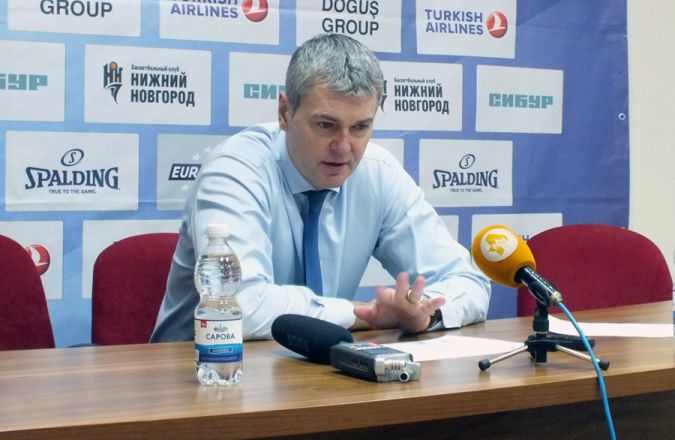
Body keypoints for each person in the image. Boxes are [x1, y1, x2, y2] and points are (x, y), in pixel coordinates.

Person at [150, 33, 490, 342]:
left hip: (314, 375)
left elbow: (468, 280)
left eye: (360, 127)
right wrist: (361, 314)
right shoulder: (235, 169)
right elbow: (240, 306)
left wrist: (425, 312)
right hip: (200, 372)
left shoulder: (378, 173)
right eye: (326, 125)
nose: (343, 147)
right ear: (285, 112)